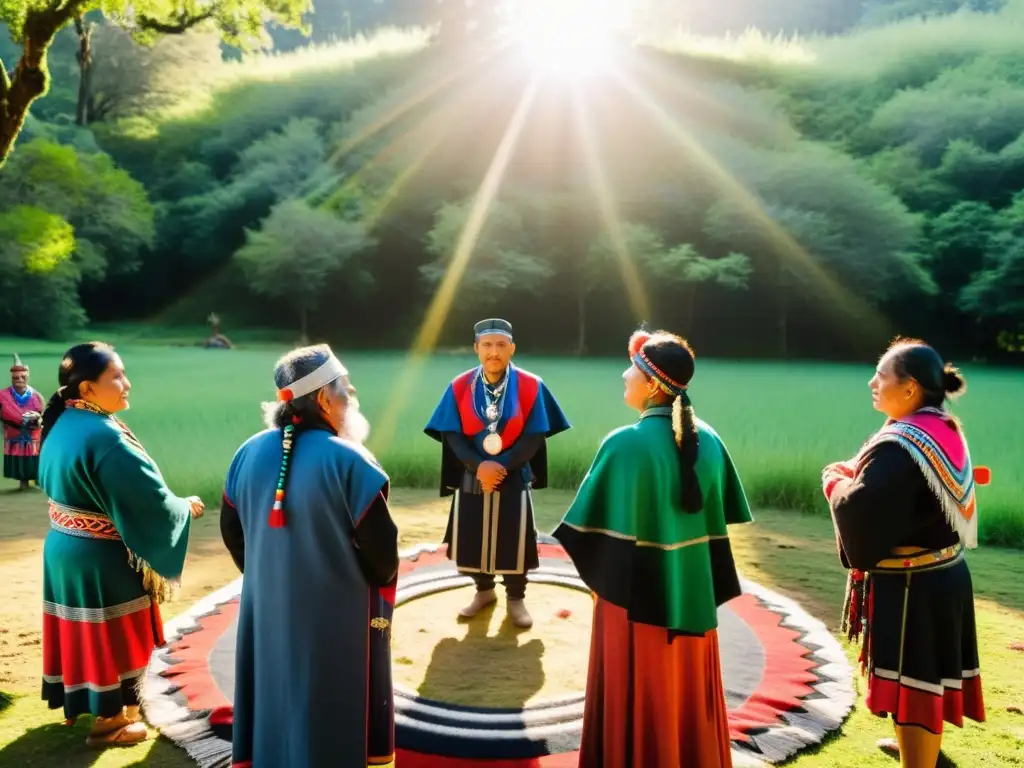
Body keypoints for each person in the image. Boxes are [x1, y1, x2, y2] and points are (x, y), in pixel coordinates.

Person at [554, 330, 752, 768]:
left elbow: (589, 536)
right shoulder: (711, 441)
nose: (624, 374)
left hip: (633, 607)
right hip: (694, 603)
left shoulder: (624, 444)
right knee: (682, 688)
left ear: (653, 384)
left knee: (638, 684)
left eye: (633, 367)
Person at [220, 344, 400, 768]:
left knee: (276, 694)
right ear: (323, 398)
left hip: (267, 610)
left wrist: (272, 575)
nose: (352, 392)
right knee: (329, 707)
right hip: (336, 619)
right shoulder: (350, 459)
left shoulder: (247, 453)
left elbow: (233, 534)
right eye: (346, 387)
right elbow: (383, 556)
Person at [822, 338, 985, 767]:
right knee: (920, 677)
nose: (872, 382)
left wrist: (834, 482)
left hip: (914, 585)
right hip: (940, 575)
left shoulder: (901, 443)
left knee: (915, 683)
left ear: (910, 388)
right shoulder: (941, 427)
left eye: (881, 375)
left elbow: (861, 511)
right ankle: (918, 748)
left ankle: (919, 756)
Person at [37, 342, 204, 747]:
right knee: (110, 635)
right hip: (100, 559)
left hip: (64, 547)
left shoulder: (62, 424)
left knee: (83, 635)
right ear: (88, 389)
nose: (127, 384)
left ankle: (99, 705)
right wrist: (185, 506)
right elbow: (151, 501)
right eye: (117, 377)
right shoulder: (104, 436)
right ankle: (109, 722)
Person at [424, 318, 570, 629]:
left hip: (513, 474)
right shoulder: (460, 385)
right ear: (477, 348)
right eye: (487, 345)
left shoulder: (531, 385)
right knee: (473, 535)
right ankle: (483, 591)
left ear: (511, 348)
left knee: (514, 538)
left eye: (501, 345)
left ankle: (515, 598)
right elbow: (451, 433)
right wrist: (479, 466)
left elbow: (535, 435)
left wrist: (501, 466)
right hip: (472, 474)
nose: (494, 352)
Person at [2, 353, 44, 490]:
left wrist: (37, 418)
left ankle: (35, 482)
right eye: (16, 378)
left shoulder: (36, 395)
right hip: (14, 433)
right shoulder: (3, 396)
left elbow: (41, 413)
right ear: (12, 379)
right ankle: (23, 483)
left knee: (32, 458)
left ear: (27, 377)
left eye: (23, 377)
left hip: (32, 434)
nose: (19, 380)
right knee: (19, 460)